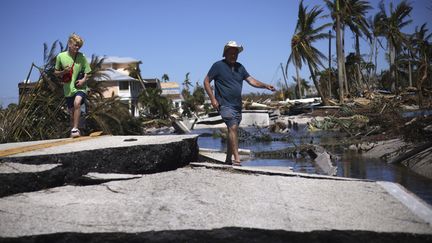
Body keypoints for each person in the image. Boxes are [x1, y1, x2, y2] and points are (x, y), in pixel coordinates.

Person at [203, 41, 275, 166]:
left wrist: (265, 85)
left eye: (236, 53)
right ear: (225, 53)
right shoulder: (218, 66)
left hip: (237, 105)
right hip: (224, 104)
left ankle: (227, 159)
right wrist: (213, 99)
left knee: (232, 131)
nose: (234, 55)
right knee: (233, 128)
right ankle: (237, 159)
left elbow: (251, 81)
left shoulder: (240, 67)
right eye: (231, 52)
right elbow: (206, 81)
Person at [55, 33, 91, 138]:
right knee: (71, 113)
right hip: (68, 89)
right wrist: (63, 72)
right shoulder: (60, 56)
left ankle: (75, 128)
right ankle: (74, 131)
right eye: (76, 45)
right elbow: (56, 72)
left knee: (77, 102)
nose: (77, 47)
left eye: (79, 46)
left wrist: (83, 80)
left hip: (80, 87)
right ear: (69, 44)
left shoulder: (81, 56)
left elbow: (87, 71)